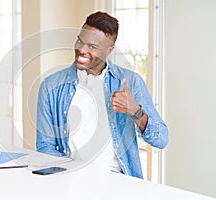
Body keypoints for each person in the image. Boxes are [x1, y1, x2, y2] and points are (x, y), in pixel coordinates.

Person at [36, 11, 168, 179]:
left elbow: (161, 139)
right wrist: (72, 178)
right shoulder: (51, 86)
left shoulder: (131, 82)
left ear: (109, 50)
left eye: (92, 47)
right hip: (70, 179)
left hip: (117, 181)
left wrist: (135, 111)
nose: (81, 49)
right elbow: (45, 146)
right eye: (80, 41)